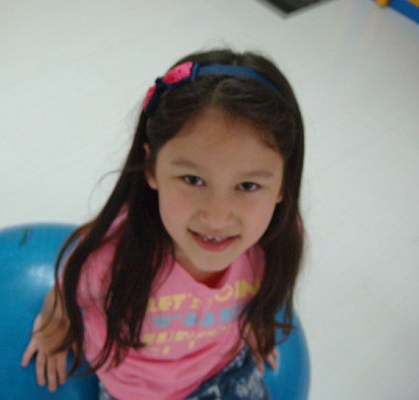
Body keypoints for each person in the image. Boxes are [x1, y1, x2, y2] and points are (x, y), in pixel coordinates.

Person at [21, 48, 305, 400]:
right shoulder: (110, 256)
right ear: (152, 168)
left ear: (282, 185)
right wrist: (54, 328)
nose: (217, 217)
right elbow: (66, 292)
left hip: (226, 369)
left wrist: (256, 322)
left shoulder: (272, 243)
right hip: (136, 391)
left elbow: (262, 293)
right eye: (192, 179)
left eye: (248, 186)